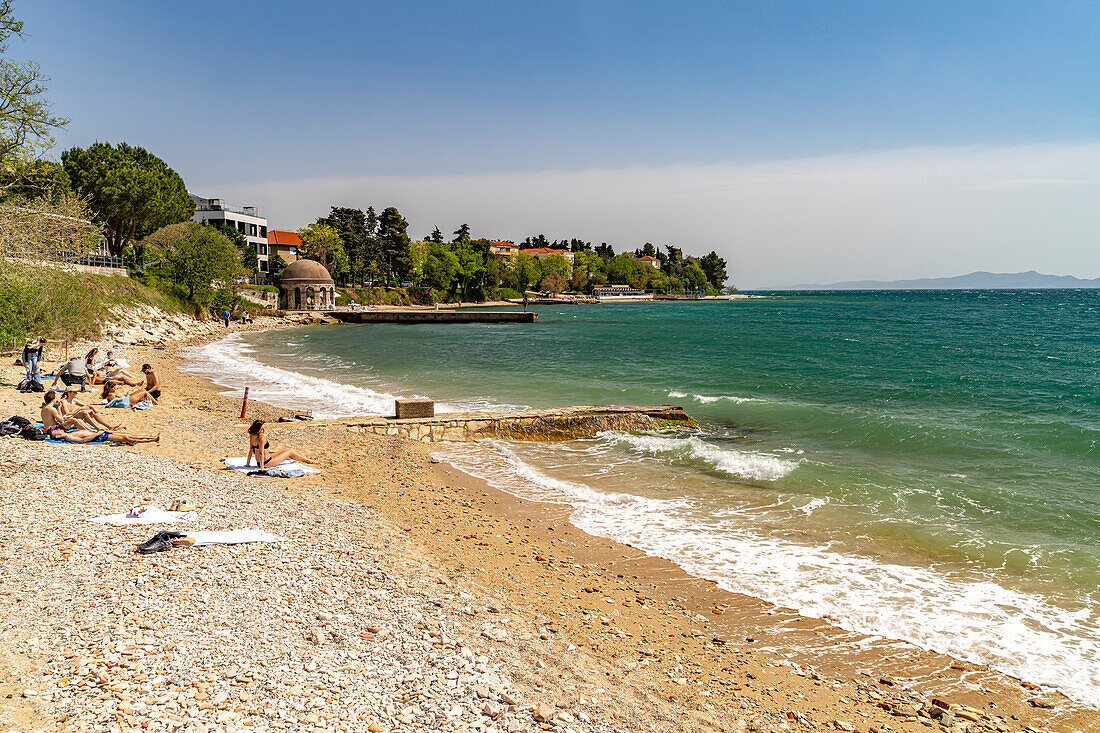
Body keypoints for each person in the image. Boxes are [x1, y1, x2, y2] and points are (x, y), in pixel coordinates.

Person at [245, 420, 313, 469]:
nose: (264, 430)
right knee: (290, 452)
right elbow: (261, 453)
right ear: (257, 429)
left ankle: (294, 458)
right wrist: (262, 469)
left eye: (264, 428)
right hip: (266, 463)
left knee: (286, 450)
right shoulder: (262, 437)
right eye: (262, 429)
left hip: (260, 462)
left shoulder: (252, 435)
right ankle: (307, 460)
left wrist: (248, 464)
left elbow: (251, 450)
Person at [46, 424, 159, 445]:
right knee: (126, 437)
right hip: (101, 436)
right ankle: (152, 440)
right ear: (56, 436)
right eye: (56, 431)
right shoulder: (68, 436)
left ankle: (150, 437)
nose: (58, 429)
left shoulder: (68, 433)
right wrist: (97, 434)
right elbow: (83, 440)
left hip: (99, 434)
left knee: (127, 434)